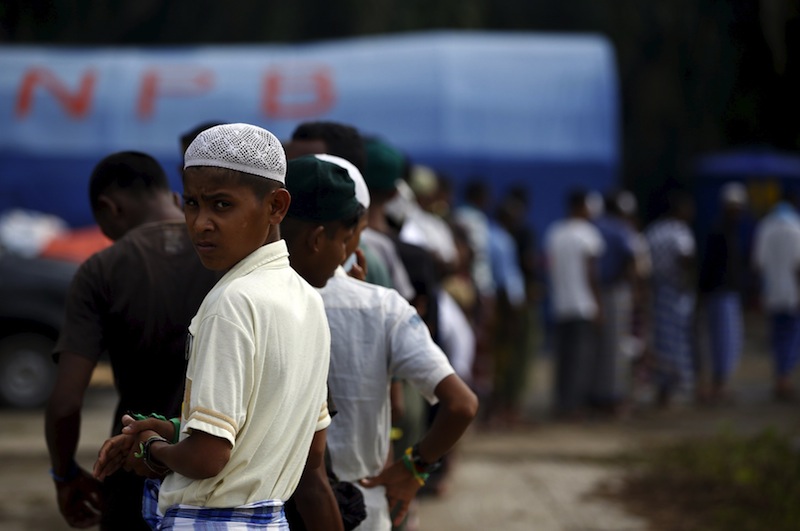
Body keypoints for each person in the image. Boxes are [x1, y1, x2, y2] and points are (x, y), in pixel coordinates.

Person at [94, 123, 346, 529]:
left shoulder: (230, 303)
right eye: (192, 204)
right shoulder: (306, 298)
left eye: (221, 205)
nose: (200, 223)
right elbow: (309, 451)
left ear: (276, 207)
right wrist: (178, 430)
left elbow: (207, 459)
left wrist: (150, 448)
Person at [44, 151, 221, 530]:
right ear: (174, 198)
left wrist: (65, 476)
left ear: (109, 208)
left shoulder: (100, 270)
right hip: (222, 470)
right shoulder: (228, 257)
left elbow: (65, 402)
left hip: (134, 472)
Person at [310, 154, 478, 530]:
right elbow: (462, 404)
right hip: (363, 502)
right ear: (357, 231)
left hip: (275, 510)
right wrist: (413, 468)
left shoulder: (245, 298)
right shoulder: (380, 305)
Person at [544, 188, 605, 419]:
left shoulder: (555, 232)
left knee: (563, 359)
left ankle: (562, 402)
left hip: (560, 304)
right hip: (583, 304)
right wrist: (599, 304)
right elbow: (592, 273)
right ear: (582, 207)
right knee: (581, 358)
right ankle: (574, 405)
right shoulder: (588, 234)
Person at [644, 189, 697, 408]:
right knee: (677, 342)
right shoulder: (680, 232)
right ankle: (673, 389)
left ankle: (662, 390)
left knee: (660, 340)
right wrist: (688, 281)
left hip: (656, 290)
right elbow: (685, 257)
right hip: (675, 291)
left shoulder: (653, 231)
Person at [696, 182, 748, 404]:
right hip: (719, 292)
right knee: (721, 340)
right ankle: (718, 385)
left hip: (728, 292)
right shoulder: (719, 230)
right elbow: (709, 265)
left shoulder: (731, 230)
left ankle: (721, 383)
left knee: (730, 340)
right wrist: (703, 291)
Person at [592, 190, 640, 416]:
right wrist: (636, 290)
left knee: (600, 348)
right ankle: (613, 399)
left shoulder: (594, 226)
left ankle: (598, 396)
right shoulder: (622, 230)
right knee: (616, 348)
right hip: (616, 290)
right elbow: (631, 259)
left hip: (595, 292)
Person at [753, 190, 800, 402]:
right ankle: (784, 378)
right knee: (791, 336)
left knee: (777, 336)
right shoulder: (796, 227)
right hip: (793, 292)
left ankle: (780, 378)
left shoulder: (765, 226)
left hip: (771, 291)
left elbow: (758, 264)